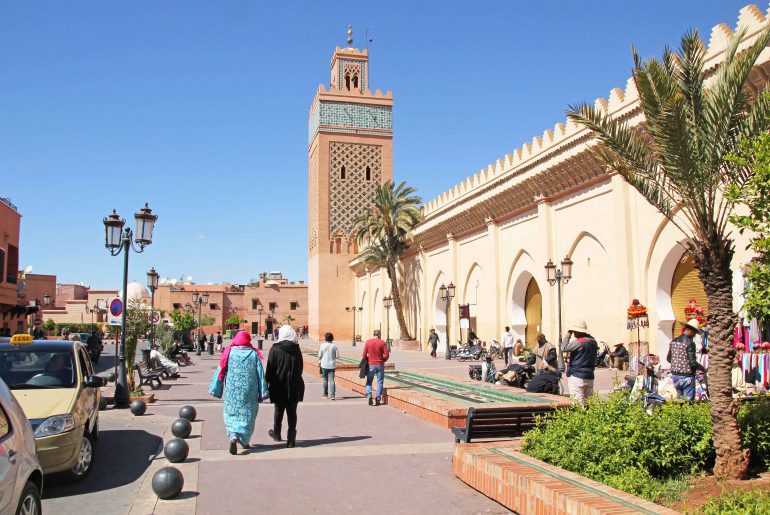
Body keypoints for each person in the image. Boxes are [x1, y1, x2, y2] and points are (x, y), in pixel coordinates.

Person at [210, 330, 268, 455]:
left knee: (231, 413)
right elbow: (260, 374)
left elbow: (220, 371)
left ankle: (233, 436)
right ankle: (245, 441)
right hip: (249, 392)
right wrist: (262, 391)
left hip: (232, 392)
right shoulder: (253, 354)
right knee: (248, 415)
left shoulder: (228, 353)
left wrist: (216, 388)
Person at [265, 325, 305, 448]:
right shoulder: (296, 349)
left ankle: (276, 434)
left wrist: (267, 383)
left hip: (278, 385)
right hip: (294, 385)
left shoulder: (275, 349)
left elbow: (270, 370)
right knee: (292, 411)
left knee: (278, 409)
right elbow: (300, 368)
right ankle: (291, 440)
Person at [666, 319, 706, 401]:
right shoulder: (690, 343)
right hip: (686, 376)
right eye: (695, 333)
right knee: (688, 401)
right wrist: (702, 368)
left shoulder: (674, 341)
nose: (695, 335)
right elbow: (692, 363)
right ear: (691, 331)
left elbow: (669, 359)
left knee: (679, 400)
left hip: (675, 376)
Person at [561, 321, 599, 406]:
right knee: (588, 403)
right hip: (589, 375)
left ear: (577, 331)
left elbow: (563, 348)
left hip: (577, 375)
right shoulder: (593, 342)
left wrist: (568, 335)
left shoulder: (579, 341)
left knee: (578, 403)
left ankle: (581, 419)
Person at [362, 329, 389, 406]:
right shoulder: (382, 342)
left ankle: (370, 394)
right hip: (380, 364)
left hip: (371, 364)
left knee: (369, 381)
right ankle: (378, 398)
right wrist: (383, 360)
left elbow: (364, 355)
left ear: (373, 334)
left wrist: (368, 359)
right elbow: (386, 354)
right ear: (379, 335)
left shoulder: (368, 342)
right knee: (380, 382)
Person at [318, 332, 339, 400]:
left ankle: (325, 394)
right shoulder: (334, 346)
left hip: (324, 365)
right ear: (332, 338)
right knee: (332, 380)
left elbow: (319, 355)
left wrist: (319, 360)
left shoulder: (322, 345)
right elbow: (337, 356)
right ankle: (332, 395)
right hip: (332, 365)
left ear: (325, 338)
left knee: (325, 380)